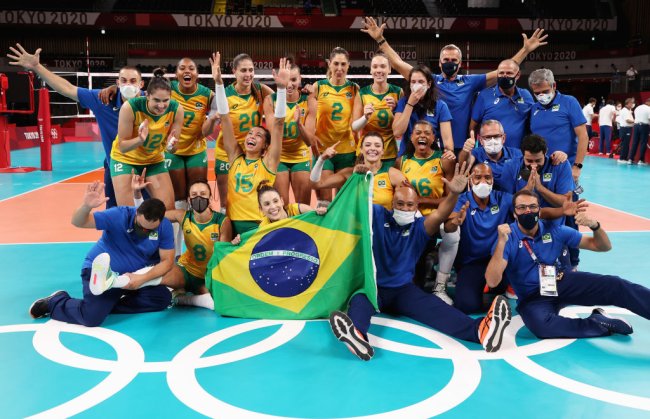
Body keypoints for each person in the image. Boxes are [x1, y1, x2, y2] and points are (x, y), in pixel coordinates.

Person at [328, 163, 512, 361]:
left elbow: (441, 214)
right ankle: (356, 335)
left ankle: (480, 331)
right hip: (375, 288)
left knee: (437, 309)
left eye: (409, 205)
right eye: (400, 204)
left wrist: (454, 194)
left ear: (416, 208)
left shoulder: (420, 227)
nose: (404, 208)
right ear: (391, 204)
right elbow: (352, 205)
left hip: (403, 291)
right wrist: (357, 180)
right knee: (358, 300)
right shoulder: (378, 215)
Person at [362, 17, 548, 154]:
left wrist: (525, 50)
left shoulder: (470, 82)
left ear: (460, 64)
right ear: (440, 63)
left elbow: (504, 71)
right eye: (446, 60)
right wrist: (380, 40)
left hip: (459, 147)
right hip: (428, 146)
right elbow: (398, 63)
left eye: (454, 60)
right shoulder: (429, 80)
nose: (450, 63)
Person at [485, 189, 650, 340]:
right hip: (532, 297)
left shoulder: (554, 230)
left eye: (532, 206)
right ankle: (598, 322)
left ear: (539, 210)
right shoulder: (507, 238)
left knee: (615, 285)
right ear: (514, 213)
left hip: (561, 281)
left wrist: (595, 226)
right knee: (542, 327)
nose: (528, 211)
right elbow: (492, 281)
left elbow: (603, 246)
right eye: (521, 207)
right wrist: (500, 244)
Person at [7, 44, 144, 208]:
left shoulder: (152, 102)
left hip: (145, 164)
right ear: (117, 82)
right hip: (115, 165)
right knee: (117, 216)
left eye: (133, 81)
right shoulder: (103, 100)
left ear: (141, 84)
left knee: (151, 213)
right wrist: (37, 67)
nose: (128, 85)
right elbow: (67, 89)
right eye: (123, 81)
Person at [444, 163, 586, 314]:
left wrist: (562, 211)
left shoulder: (501, 198)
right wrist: (455, 222)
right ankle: (489, 287)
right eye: (478, 178)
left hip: (504, 258)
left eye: (487, 177)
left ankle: (508, 286)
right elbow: (448, 227)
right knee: (467, 305)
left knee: (532, 285)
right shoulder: (461, 200)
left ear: (493, 179)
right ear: (471, 180)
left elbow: (537, 211)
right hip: (473, 262)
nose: (483, 182)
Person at [28, 181, 174, 326]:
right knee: (91, 318)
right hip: (100, 274)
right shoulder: (118, 215)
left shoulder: (165, 227)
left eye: (149, 230)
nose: (143, 232)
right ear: (136, 213)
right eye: (140, 226)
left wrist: (142, 278)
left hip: (131, 278)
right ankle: (56, 301)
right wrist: (86, 206)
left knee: (162, 298)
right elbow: (79, 222)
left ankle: (104, 306)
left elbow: (167, 261)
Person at [212, 52, 284, 235]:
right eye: (250, 133)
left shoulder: (268, 163)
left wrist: (281, 90)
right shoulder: (235, 158)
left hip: (259, 227)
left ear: (266, 146)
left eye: (258, 134)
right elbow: (225, 118)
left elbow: (278, 124)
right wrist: (218, 83)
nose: (251, 135)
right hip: (234, 228)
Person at [397, 120, 458, 302]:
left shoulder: (443, 161)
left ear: (433, 138)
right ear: (411, 137)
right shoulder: (402, 162)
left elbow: (450, 197)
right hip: (410, 217)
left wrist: (421, 199)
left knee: (454, 233)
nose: (422, 136)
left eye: (427, 133)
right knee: (414, 282)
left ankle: (441, 284)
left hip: (436, 215)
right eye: (418, 132)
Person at [205, 53, 274, 210]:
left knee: (253, 201)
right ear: (234, 71)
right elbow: (206, 130)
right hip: (226, 154)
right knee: (226, 203)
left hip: (252, 154)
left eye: (251, 70)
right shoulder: (224, 95)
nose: (248, 74)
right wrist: (211, 119)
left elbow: (284, 100)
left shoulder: (260, 91)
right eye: (243, 70)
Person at [110, 68, 183, 210]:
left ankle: (160, 233)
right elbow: (123, 146)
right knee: (130, 212)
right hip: (125, 161)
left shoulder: (176, 109)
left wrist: (171, 147)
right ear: (147, 95)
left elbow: (175, 147)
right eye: (156, 100)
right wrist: (140, 139)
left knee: (167, 209)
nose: (161, 106)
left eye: (165, 100)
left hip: (153, 161)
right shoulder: (130, 107)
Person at [306, 47, 363, 207]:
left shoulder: (354, 88)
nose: (339, 68)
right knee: (324, 203)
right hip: (324, 150)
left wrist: (359, 150)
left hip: (347, 151)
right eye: (336, 64)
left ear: (348, 65)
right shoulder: (318, 87)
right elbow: (310, 117)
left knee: (343, 203)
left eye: (343, 64)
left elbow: (356, 121)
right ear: (329, 64)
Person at [310, 132, 407, 210]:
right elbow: (317, 184)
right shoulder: (349, 174)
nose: (372, 148)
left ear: (382, 151)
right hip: (355, 230)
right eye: (368, 145)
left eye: (377, 146)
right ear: (361, 149)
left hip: (381, 229)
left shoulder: (392, 174)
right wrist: (321, 159)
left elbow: (407, 202)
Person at [262, 63, 315, 205]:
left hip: (300, 156)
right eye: (286, 80)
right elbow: (274, 133)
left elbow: (310, 141)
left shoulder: (308, 100)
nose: (289, 84)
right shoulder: (270, 101)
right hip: (278, 156)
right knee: (281, 206)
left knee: (303, 207)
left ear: (300, 79)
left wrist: (299, 125)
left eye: (293, 79)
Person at [528, 69, 588, 174]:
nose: (541, 95)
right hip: (540, 169)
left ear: (554, 86)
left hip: (565, 167)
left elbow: (583, 136)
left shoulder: (569, 102)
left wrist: (577, 166)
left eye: (545, 91)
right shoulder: (533, 108)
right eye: (537, 93)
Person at [392, 65, 454, 158]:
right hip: (407, 157)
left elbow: (447, 140)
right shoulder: (403, 102)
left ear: (429, 84)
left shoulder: (440, 106)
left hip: (431, 157)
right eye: (413, 82)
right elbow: (397, 132)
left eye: (421, 82)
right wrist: (410, 104)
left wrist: (449, 152)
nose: (416, 85)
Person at [470, 59, 534, 150]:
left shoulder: (526, 95)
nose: (504, 76)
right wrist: (474, 147)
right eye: (501, 73)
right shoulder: (484, 96)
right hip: (488, 155)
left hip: (517, 155)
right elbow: (473, 126)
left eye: (509, 73)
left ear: (518, 75)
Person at [352, 53, 403, 165]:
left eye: (383, 66)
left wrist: (396, 110)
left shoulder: (398, 92)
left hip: (390, 153)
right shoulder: (362, 93)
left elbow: (401, 128)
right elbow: (355, 127)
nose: (379, 70)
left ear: (389, 69)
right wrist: (365, 117)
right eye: (375, 67)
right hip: (366, 152)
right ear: (370, 70)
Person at [458, 120, 522, 190]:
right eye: (488, 137)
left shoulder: (517, 154)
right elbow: (464, 164)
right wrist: (466, 151)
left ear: (503, 138)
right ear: (481, 140)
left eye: (496, 136)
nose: (492, 141)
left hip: (510, 197)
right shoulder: (476, 153)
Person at [257, 180, 326, 227]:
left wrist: (320, 212)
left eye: (275, 201)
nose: (273, 206)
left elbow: (318, 219)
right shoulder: (263, 228)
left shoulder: (299, 210)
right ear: (261, 209)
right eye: (267, 204)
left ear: (282, 201)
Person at [629, 97, 650, 165]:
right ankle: (641, 160)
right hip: (644, 126)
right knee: (643, 143)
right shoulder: (649, 108)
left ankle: (630, 159)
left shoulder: (637, 108)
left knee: (635, 143)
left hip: (636, 126)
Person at [617, 98, 636, 164]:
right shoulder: (624, 111)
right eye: (631, 103)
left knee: (626, 144)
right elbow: (627, 120)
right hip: (625, 129)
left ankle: (624, 158)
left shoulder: (628, 110)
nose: (632, 104)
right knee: (625, 144)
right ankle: (622, 158)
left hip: (627, 129)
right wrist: (636, 121)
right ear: (628, 103)